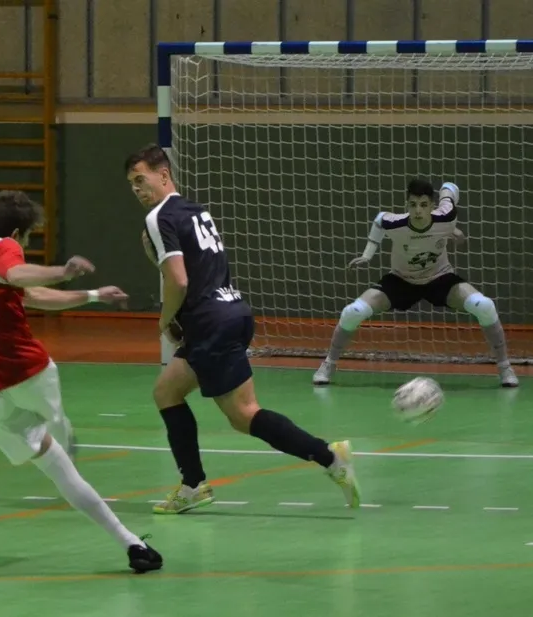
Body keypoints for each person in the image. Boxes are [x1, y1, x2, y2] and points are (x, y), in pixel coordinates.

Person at [126, 144, 361, 515]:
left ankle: (329, 457)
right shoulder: (197, 211)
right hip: (232, 311)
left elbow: (179, 280)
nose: (138, 189)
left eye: (142, 180)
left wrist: (164, 320)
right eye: (132, 184)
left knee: (244, 415)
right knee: (167, 391)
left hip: (210, 324)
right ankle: (193, 485)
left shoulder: (158, 218)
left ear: (164, 175)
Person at [0, 189, 162, 574]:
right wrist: (63, 271)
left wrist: (92, 295)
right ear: (17, 234)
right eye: (27, 238)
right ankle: (61, 425)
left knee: (60, 469)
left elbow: (31, 294)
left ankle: (131, 543)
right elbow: (17, 274)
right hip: (23, 370)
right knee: (55, 416)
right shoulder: (1, 248)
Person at [313, 178, 519, 388]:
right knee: (353, 311)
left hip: (440, 278)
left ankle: (505, 368)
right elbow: (379, 220)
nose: (418, 211)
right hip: (401, 280)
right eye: (413, 205)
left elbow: (450, 189)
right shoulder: (396, 223)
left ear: (432, 206)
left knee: (484, 306)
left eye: (423, 205)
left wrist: (450, 224)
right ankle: (329, 365)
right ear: (407, 205)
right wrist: (367, 255)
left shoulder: (446, 215)